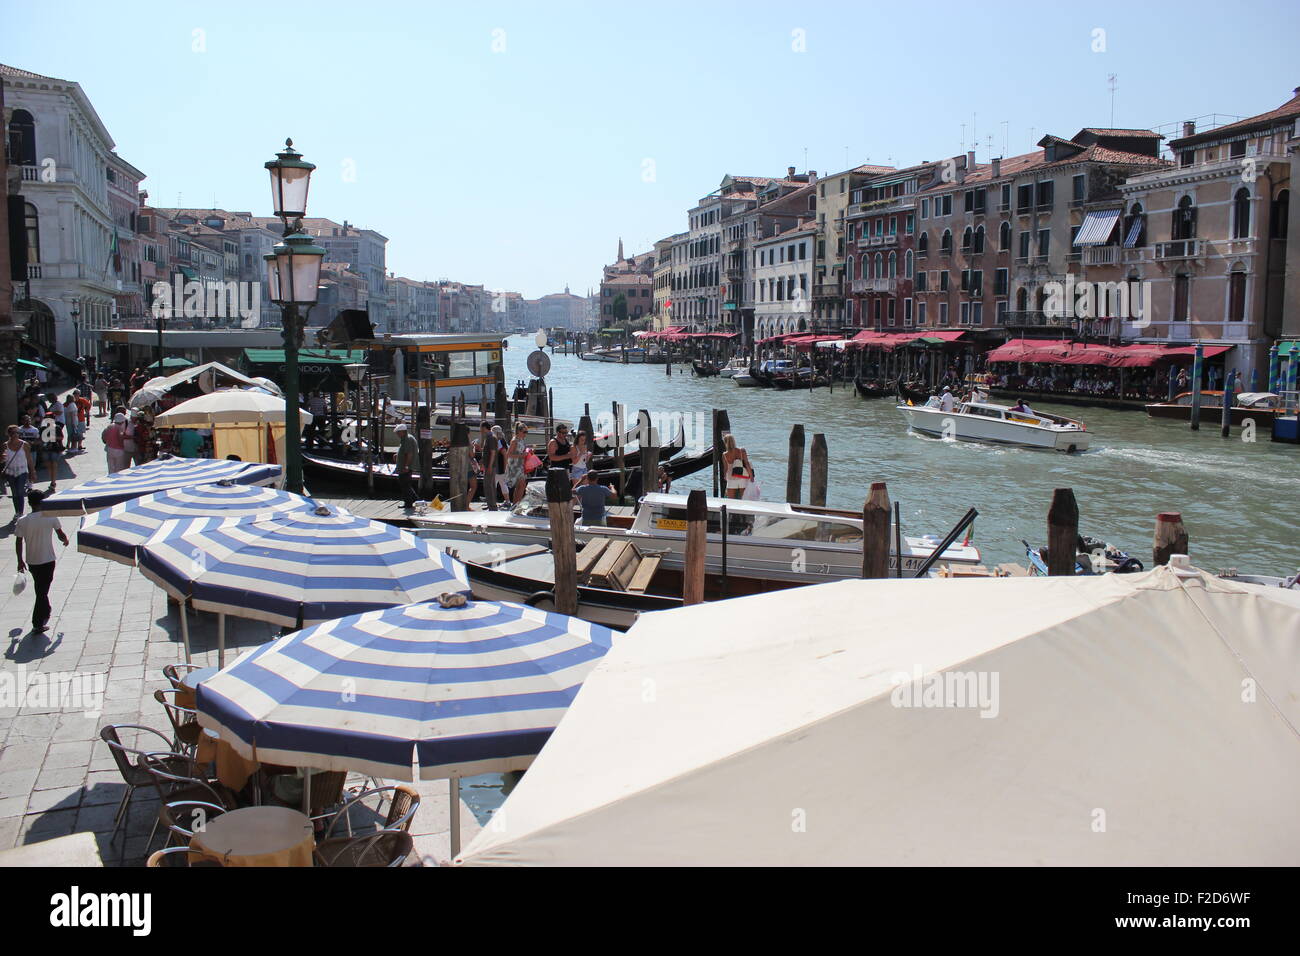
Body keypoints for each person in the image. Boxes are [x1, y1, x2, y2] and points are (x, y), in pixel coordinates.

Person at [15, 488, 69, 633]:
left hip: (32, 561)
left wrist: (20, 560)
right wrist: (65, 540)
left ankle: (45, 611)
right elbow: (60, 534)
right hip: (48, 559)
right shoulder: (50, 516)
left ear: (29, 503)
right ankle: (37, 622)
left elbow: (18, 542)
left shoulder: (23, 521)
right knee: (42, 591)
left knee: (41, 588)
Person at [3, 424, 36, 523]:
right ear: (8, 434)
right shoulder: (5, 445)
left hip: (22, 471)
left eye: (17, 432)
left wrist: (32, 471)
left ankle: (20, 513)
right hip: (10, 472)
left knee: (20, 492)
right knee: (14, 493)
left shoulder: (24, 444)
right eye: (12, 433)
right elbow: (3, 459)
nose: (15, 435)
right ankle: (17, 511)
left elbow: (29, 459)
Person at [721, 432, 753, 500]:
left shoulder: (724, 454)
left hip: (730, 478)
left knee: (731, 501)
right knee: (744, 499)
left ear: (725, 442)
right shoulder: (742, 451)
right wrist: (751, 476)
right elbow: (746, 464)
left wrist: (724, 477)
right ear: (733, 441)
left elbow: (725, 468)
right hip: (742, 477)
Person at [394, 423, 419, 509]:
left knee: (404, 484)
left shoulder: (408, 439)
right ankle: (415, 499)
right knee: (406, 483)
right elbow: (404, 451)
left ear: (403, 432)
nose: (397, 434)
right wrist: (397, 455)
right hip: (404, 466)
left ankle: (408, 503)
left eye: (398, 432)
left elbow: (409, 454)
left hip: (406, 467)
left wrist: (406, 466)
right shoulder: (405, 438)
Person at [505, 423, 530, 505]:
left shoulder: (521, 440)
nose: (526, 434)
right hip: (514, 465)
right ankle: (516, 504)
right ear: (519, 431)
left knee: (520, 486)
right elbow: (508, 454)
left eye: (527, 432)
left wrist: (528, 451)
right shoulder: (514, 440)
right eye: (524, 432)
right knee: (521, 485)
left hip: (520, 464)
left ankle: (515, 504)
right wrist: (521, 455)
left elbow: (522, 450)